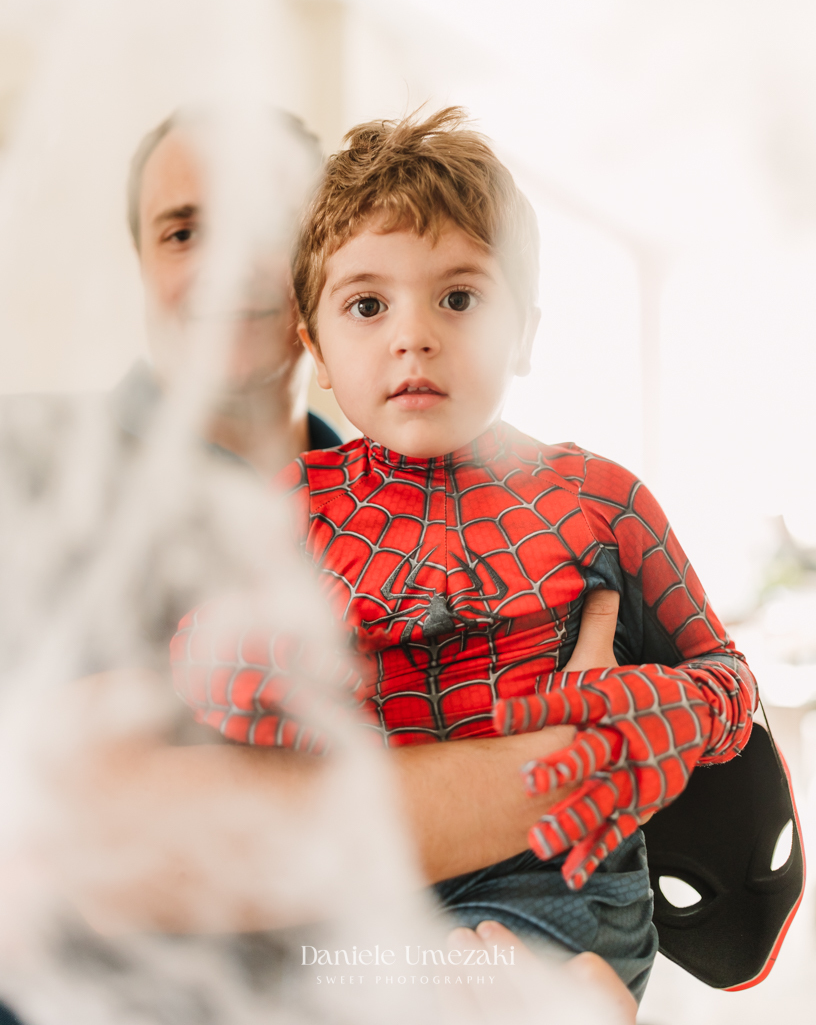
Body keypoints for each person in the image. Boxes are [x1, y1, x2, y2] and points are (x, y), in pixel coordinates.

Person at [170, 107, 757, 1006]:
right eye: (367, 305)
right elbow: (197, 680)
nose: (416, 337)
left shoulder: (604, 500)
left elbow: (730, 683)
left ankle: (572, 993)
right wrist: (238, 670)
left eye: (459, 296)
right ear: (316, 348)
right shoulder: (284, 512)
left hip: (560, 879)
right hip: (365, 888)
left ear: (523, 331)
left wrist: (668, 708)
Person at [112, 109, 342, 471]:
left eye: (269, 228)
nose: (228, 271)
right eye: (183, 235)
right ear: (141, 263)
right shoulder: (29, 472)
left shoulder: (403, 503)